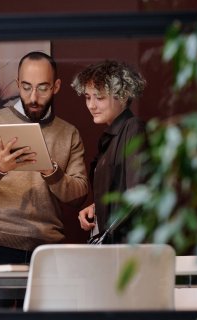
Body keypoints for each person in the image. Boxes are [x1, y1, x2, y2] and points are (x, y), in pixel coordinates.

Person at [0, 51, 88, 264]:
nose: (33, 98)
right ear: (18, 84)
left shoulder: (69, 133)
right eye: (27, 87)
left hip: (47, 249)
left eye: (43, 88)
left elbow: (78, 196)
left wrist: (52, 172)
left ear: (56, 87)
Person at [71, 60, 148, 244]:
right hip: (114, 246)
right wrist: (97, 207)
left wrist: (106, 235)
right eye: (88, 97)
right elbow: (120, 189)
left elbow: (138, 193)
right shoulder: (111, 137)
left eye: (99, 97)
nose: (91, 105)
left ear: (122, 96)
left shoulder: (132, 128)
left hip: (126, 248)